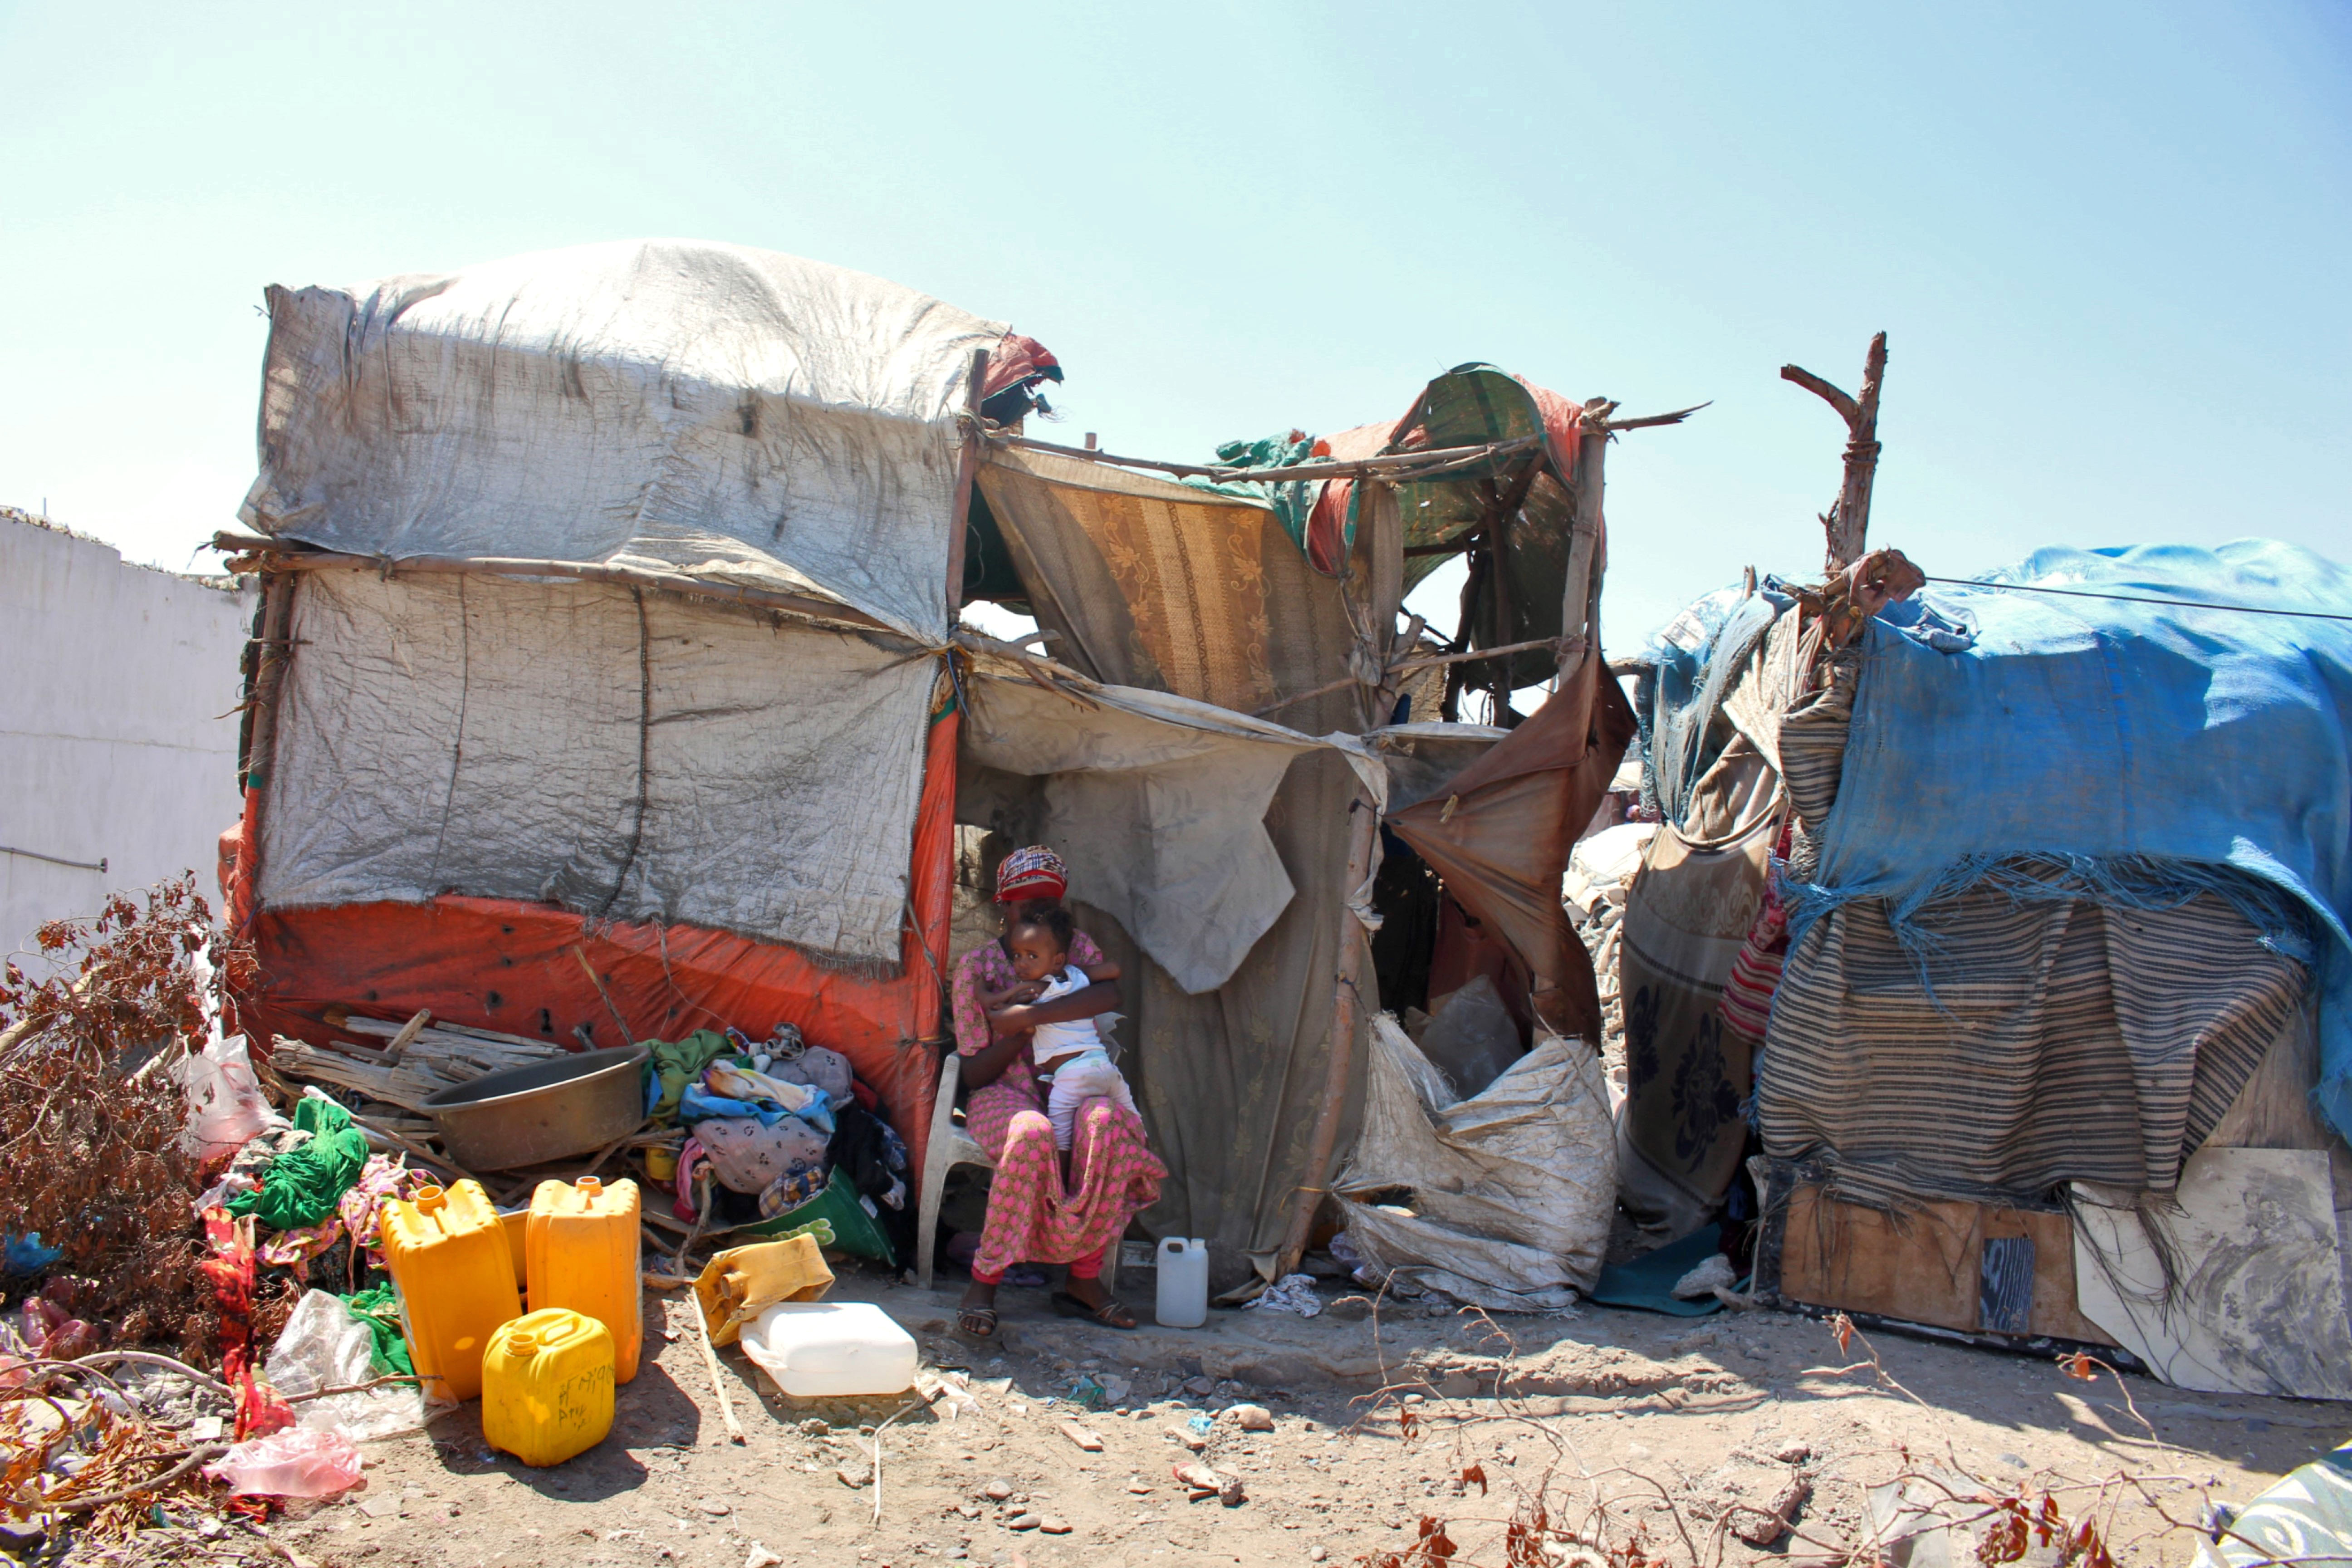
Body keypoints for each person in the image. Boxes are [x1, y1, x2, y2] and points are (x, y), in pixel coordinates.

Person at [947, 846, 1163, 1337]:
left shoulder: (1072, 944)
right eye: (1026, 904)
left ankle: (1083, 1283)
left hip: (1074, 1082)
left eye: (1049, 903)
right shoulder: (978, 969)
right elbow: (976, 1074)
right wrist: (1023, 1034)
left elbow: (1109, 994)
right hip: (1004, 1093)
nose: (1039, 914)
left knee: (1109, 1126)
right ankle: (986, 1280)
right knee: (1031, 1133)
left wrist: (1032, 1014)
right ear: (1004, 906)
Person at [990, 902, 1137, 1166]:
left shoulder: (1035, 989)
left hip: (1072, 1078)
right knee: (1136, 1126)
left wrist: (984, 993)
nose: (1022, 964)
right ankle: (1143, 1170)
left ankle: (1062, 1189)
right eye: (1017, 956)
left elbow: (998, 1013)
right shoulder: (1075, 978)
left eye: (1032, 956)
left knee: (1060, 1142)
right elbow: (1114, 969)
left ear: (1058, 960)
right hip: (1105, 1069)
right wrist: (1082, 973)